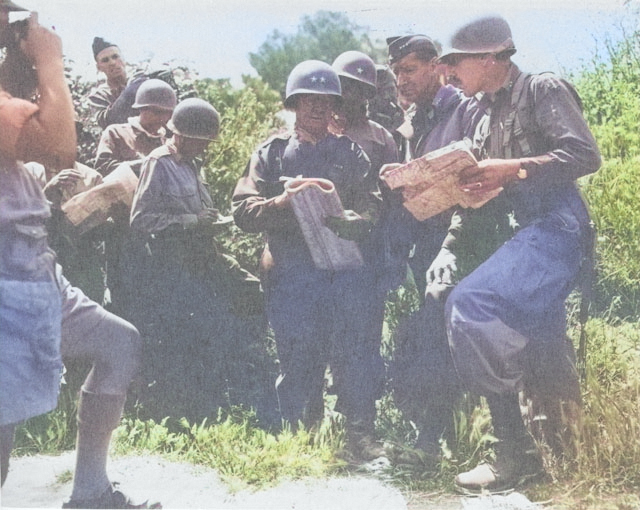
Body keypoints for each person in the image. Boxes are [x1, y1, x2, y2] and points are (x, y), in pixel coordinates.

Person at [0, 5, 159, 508]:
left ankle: (90, 491)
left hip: (36, 280)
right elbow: (60, 144)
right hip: (8, 288)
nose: (19, 26)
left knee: (118, 344)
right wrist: (49, 60)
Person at [436, 15, 601, 493]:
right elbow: (492, 182)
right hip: (523, 233)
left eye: (457, 62)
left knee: (471, 306)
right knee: (542, 347)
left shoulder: (541, 89)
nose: (450, 73)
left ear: (491, 58)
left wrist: (514, 170)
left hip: (557, 228)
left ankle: (512, 451)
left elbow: (584, 156)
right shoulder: (482, 112)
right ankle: (558, 457)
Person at [232, 60, 383, 461]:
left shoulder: (350, 152)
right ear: (294, 105)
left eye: (325, 101)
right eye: (308, 101)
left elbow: (374, 202)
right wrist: (282, 202)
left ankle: (359, 436)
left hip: (342, 271)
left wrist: (358, 219)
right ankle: (303, 436)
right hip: (290, 270)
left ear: (336, 106)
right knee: (297, 354)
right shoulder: (271, 155)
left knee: (353, 354)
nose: (317, 108)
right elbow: (243, 213)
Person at [129, 97, 265, 422]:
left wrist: (208, 219)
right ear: (183, 135)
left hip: (203, 258)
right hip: (174, 265)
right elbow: (141, 220)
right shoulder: (159, 163)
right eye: (201, 141)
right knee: (187, 338)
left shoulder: (192, 164)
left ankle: (233, 385)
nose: (205, 148)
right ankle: (186, 413)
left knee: (251, 293)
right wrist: (193, 221)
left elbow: (197, 213)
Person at [383, 34, 483, 464]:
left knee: (444, 326)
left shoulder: (464, 108)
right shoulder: (414, 120)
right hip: (426, 240)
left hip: (467, 237)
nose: (400, 79)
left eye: (408, 69)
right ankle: (436, 436)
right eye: (395, 72)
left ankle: (437, 440)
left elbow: (476, 170)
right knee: (429, 332)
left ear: (436, 67)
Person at [95, 78, 176, 177]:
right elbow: (102, 168)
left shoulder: (168, 142)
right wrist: (148, 163)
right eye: (157, 112)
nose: (162, 118)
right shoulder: (116, 133)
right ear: (142, 109)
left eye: (167, 114)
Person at [87, 37, 147, 130]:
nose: (112, 62)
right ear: (99, 67)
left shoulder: (140, 80)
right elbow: (108, 122)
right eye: (105, 60)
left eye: (115, 57)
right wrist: (130, 91)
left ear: (123, 60)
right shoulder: (98, 96)